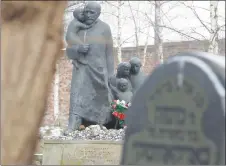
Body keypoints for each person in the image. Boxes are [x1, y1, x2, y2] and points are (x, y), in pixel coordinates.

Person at [65, 2, 114, 133]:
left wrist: (111, 73)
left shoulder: (104, 28)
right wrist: (78, 49)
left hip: (98, 69)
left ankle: (101, 123)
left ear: (98, 13)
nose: (88, 14)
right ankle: (74, 122)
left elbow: (109, 53)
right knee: (77, 94)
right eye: (86, 11)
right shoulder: (77, 27)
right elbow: (68, 51)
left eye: (92, 12)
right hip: (81, 67)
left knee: (101, 96)